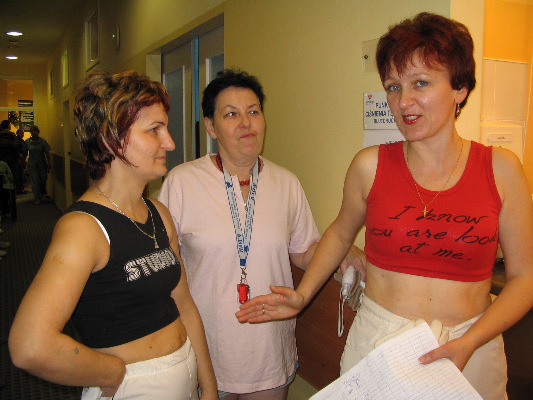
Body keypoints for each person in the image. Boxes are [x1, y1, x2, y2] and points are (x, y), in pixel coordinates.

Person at [236, 13, 533, 400]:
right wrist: (303, 295)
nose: (403, 101)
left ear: (459, 87)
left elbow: (525, 278)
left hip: (471, 345)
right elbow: (341, 232)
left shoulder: (501, 169)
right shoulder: (370, 165)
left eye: (420, 83)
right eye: (393, 87)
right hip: (380, 341)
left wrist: (471, 341)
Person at [9, 70, 218, 400]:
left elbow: (185, 305)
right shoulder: (85, 228)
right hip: (133, 388)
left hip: (185, 375)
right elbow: (30, 345)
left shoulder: (158, 214)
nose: (170, 143)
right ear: (111, 138)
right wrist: (112, 372)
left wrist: (209, 387)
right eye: (155, 130)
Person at [159, 69, 364, 400]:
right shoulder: (182, 183)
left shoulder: (286, 183)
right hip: (207, 348)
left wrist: (343, 249)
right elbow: (165, 266)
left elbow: (304, 251)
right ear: (210, 126)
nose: (246, 123)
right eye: (231, 114)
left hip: (269, 350)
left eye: (253, 111)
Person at [25, 125, 51, 204]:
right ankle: (37, 198)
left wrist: (49, 163)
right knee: (35, 182)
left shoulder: (42, 141)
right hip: (32, 165)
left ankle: (41, 195)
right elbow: (25, 153)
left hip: (42, 164)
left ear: (38, 132)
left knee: (43, 180)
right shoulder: (27, 142)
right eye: (31, 131)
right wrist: (23, 163)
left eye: (34, 131)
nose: (33, 132)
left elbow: (47, 152)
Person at [15, 127, 28, 194]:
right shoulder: (17, 141)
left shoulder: (22, 141)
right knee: (19, 175)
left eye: (23, 133)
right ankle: (20, 189)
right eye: (21, 133)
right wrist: (20, 158)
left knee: (21, 175)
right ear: (17, 133)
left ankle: (21, 188)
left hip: (22, 159)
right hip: (19, 160)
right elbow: (17, 151)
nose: (22, 134)